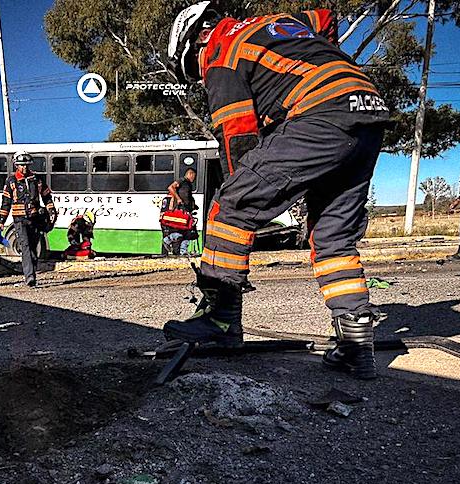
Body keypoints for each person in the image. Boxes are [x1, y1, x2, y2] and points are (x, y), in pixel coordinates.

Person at [163, 2, 390, 379]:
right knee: (332, 234)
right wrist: (328, 60)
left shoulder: (222, 53)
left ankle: (220, 323)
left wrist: (243, 197)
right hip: (366, 111)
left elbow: (237, 141)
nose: (201, 75)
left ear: (201, 36)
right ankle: (355, 346)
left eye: (195, 65)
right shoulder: (280, 23)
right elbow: (325, 16)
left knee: (231, 205)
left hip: (321, 112)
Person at [0, 151, 57, 286]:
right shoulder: (11, 181)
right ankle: (30, 278)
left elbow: (47, 196)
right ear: (16, 165)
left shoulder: (37, 179)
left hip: (35, 218)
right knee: (25, 246)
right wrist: (1, 221)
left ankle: (32, 270)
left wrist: (51, 209)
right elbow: (6, 202)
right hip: (19, 220)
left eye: (26, 165)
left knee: (33, 248)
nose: (24, 168)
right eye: (21, 165)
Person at [162, 168, 198, 255]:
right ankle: (168, 240)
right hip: (180, 209)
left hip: (186, 210)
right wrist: (178, 199)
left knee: (187, 232)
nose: (194, 179)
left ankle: (183, 251)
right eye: (194, 176)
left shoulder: (188, 184)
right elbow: (170, 187)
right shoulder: (182, 180)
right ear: (190, 174)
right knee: (182, 231)